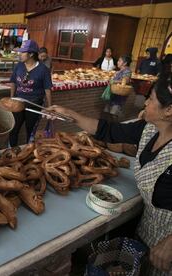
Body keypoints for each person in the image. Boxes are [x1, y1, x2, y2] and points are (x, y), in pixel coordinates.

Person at [47, 76, 172, 276]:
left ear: (169, 110)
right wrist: (70, 114)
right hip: (146, 233)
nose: (146, 102)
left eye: (152, 99)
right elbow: (108, 130)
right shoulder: (148, 129)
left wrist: (170, 242)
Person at [9, 39, 53, 146]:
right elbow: (13, 82)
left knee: (30, 130)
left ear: (31, 54)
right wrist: (12, 99)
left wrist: (49, 107)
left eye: (23, 52)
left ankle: (28, 152)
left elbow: (47, 89)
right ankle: (12, 151)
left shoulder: (43, 70)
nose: (20, 54)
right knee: (13, 129)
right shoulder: (19, 66)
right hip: (18, 102)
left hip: (34, 104)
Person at [103, 55, 132, 120]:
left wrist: (114, 81)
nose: (118, 62)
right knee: (107, 113)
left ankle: (114, 128)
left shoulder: (127, 71)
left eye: (119, 61)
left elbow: (126, 80)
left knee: (113, 114)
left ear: (125, 63)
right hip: (113, 95)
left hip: (119, 97)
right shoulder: (119, 71)